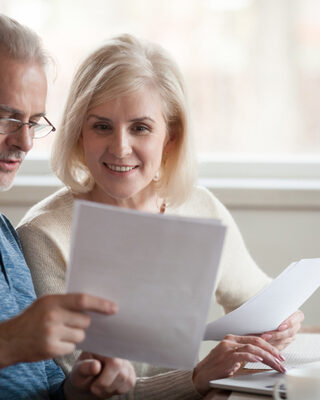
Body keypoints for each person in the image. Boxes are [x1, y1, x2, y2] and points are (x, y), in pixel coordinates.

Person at [17, 34, 304, 398]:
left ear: (171, 137)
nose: (120, 147)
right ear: (78, 134)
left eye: (140, 128)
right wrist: (197, 378)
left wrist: (281, 323)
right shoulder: (44, 235)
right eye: (101, 126)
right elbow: (81, 391)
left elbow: (258, 299)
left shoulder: (199, 207)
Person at [0, 14, 136, 399]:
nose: (25, 142)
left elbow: (41, 389)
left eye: (34, 122)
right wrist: (8, 342)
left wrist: (79, 387)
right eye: (7, 117)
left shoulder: (5, 237)